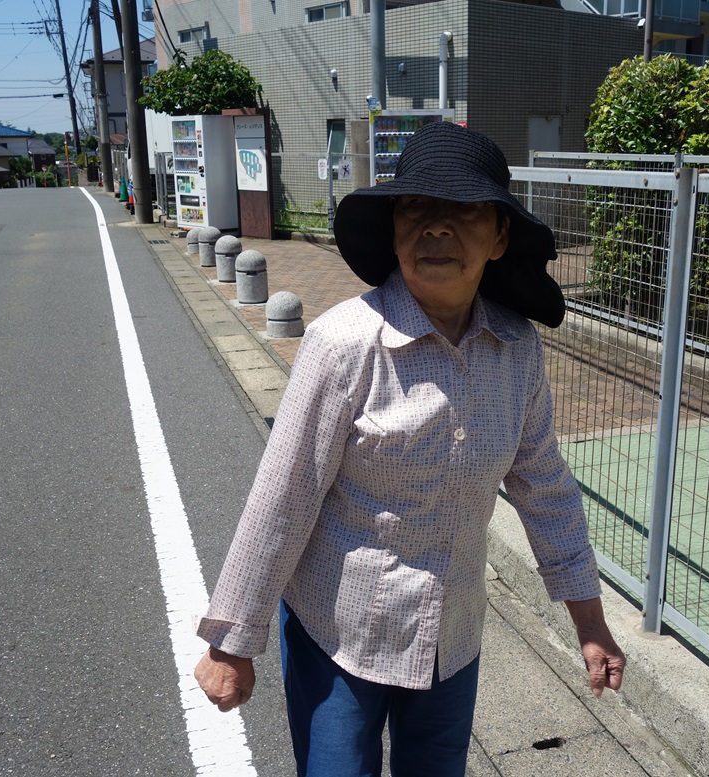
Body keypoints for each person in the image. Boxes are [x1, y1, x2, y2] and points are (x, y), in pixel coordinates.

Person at [194, 120, 625, 777]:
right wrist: (232, 641)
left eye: (465, 210)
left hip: (451, 635)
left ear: (499, 238)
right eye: (415, 207)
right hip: (340, 632)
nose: (436, 227)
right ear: (393, 229)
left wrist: (589, 623)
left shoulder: (516, 349)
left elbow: (545, 488)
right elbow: (283, 497)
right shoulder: (344, 343)